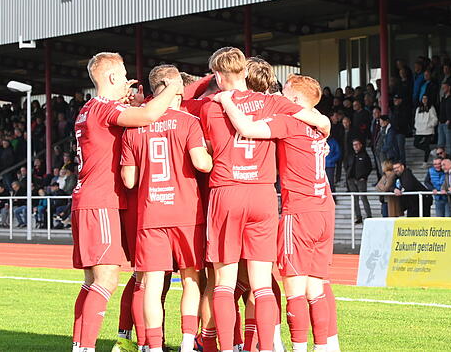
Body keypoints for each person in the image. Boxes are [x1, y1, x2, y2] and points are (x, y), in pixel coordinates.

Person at [199, 47, 330, 352]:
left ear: (218, 75)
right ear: (245, 71)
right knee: (262, 285)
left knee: (224, 283)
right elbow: (317, 119)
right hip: (262, 194)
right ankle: (267, 348)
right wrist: (325, 126)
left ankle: (228, 347)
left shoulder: (210, 106)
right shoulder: (274, 102)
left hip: (226, 192)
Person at [70, 51, 183, 352]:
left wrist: (129, 103)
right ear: (111, 77)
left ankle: (80, 346)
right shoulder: (104, 108)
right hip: (101, 201)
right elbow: (148, 116)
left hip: (86, 199)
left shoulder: (88, 109)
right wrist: (173, 85)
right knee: (106, 279)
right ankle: (86, 348)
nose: (127, 82)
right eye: (123, 76)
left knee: (90, 281)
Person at [121, 65, 213, 352]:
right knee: (191, 277)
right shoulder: (187, 122)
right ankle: (187, 342)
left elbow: (129, 179)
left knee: (151, 281)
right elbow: (202, 163)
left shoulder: (135, 124)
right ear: (175, 86)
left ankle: (153, 345)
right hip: (186, 212)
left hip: (152, 214)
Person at [346, 138, 373, 224]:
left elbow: (369, 167)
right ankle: (358, 217)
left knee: (363, 198)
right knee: (355, 200)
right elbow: (346, 165)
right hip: (351, 180)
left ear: (361, 145)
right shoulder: (350, 155)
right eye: (354, 145)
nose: (356, 146)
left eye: (357, 144)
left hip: (361, 180)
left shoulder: (364, 155)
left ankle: (369, 216)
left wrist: (364, 177)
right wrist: (348, 176)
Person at [413, 94, 437, 165]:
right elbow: (416, 119)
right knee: (416, 144)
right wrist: (416, 126)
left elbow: (435, 119)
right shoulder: (418, 109)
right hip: (419, 130)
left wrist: (430, 125)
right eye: (423, 98)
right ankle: (430, 151)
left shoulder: (431, 108)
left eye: (426, 98)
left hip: (428, 130)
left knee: (426, 145)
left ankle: (425, 162)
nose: (424, 100)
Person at [437, 81, 451, 155]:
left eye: (445, 87)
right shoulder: (443, 99)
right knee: (440, 144)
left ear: (449, 87)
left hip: (449, 124)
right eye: (442, 87)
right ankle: (440, 160)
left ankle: (450, 160)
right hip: (441, 123)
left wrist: (449, 120)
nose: (443, 88)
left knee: (449, 144)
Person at [389, 93, 411, 164]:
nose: (395, 101)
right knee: (395, 148)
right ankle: (397, 163)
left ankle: (402, 164)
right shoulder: (394, 109)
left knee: (400, 148)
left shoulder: (404, 108)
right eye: (394, 99)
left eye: (397, 100)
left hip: (401, 131)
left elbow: (405, 120)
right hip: (394, 131)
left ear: (400, 100)